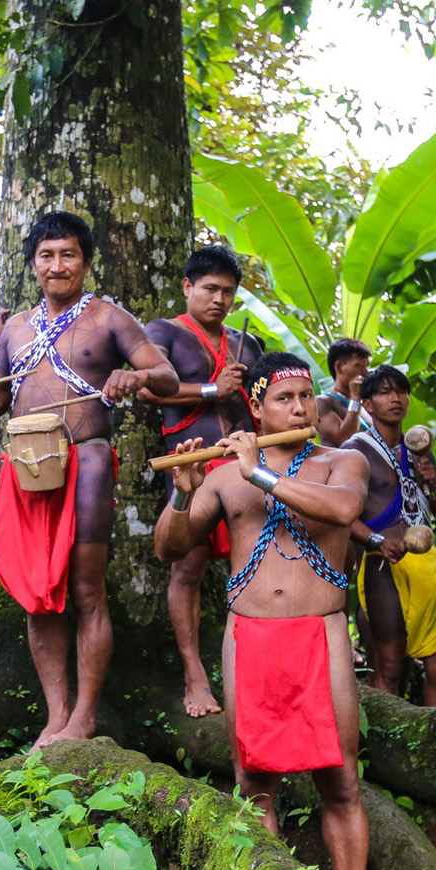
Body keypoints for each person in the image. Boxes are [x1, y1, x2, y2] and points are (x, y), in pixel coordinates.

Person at [0, 210, 177, 745]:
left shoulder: (109, 318)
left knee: (85, 589)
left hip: (88, 460)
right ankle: (57, 715)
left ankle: (85, 718)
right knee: (35, 594)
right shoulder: (18, 329)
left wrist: (135, 373)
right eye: (47, 256)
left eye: (68, 254)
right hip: (26, 466)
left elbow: (166, 377)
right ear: (33, 264)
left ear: (87, 262)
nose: (57, 265)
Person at [153, 352, 370, 870]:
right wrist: (182, 494)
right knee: (253, 784)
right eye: (284, 399)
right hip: (249, 637)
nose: (300, 409)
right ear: (256, 406)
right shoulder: (224, 477)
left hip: (320, 634)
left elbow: (343, 511)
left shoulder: (344, 461)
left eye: (305, 397)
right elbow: (168, 548)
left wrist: (262, 473)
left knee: (341, 782)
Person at [137, 245, 264, 717]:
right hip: (190, 463)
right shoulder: (163, 332)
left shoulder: (247, 343)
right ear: (188, 287)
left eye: (228, 292)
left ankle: (249, 670)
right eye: (209, 288)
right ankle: (195, 678)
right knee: (187, 570)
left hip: (245, 467)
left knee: (249, 564)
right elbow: (148, 387)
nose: (219, 299)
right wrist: (213, 388)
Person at [346, 366, 436, 703]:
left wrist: (433, 482)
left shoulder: (419, 449)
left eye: (401, 391)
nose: (395, 398)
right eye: (384, 392)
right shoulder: (355, 450)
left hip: (427, 566)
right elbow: (340, 514)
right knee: (390, 667)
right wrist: (377, 541)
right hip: (383, 565)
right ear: (367, 402)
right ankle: (383, 748)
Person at [315, 338, 373, 447]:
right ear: (339, 367)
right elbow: (344, 439)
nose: (365, 371)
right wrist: (355, 399)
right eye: (358, 365)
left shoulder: (365, 404)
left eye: (367, 366)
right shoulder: (322, 403)